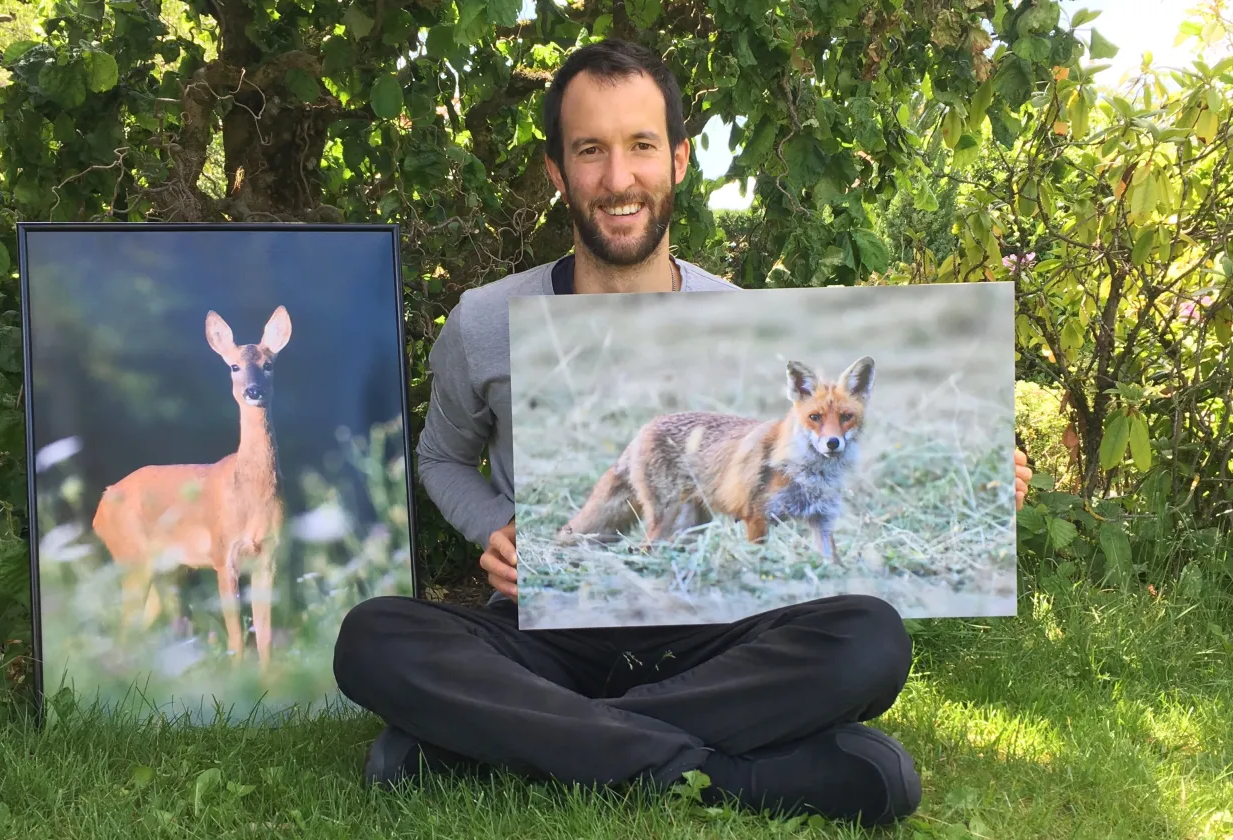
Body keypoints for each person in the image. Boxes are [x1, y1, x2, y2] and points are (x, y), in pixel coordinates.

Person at [332, 38, 1034, 828]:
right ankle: (733, 775)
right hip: (546, 629)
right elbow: (441, 457)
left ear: (679, 161)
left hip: (711, 640)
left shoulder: (734, 308)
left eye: (640, 147)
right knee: (373, 636)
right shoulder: (486, 321)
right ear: (558, 173)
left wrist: (989, 468)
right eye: (590, 151)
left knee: (869, 638)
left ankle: (513, 741)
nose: (618, 178)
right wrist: (491, 525)